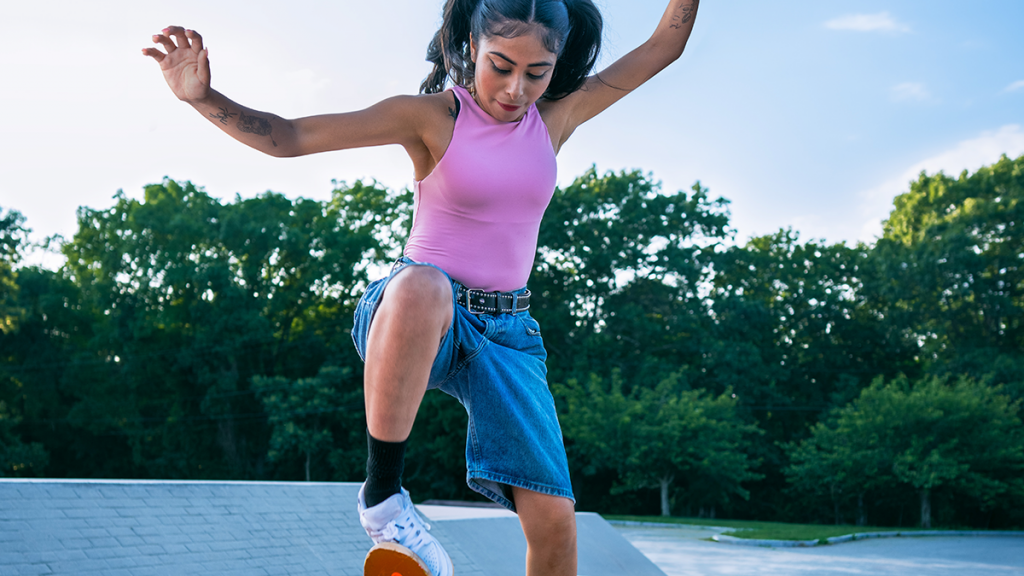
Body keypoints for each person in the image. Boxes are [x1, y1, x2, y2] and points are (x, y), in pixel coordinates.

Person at [143, 1, 699, 574]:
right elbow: (290, 137)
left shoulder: (558, 116)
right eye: (501, 65)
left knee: (555, 525)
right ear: (470, 46)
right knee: (422, 285)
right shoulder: (432, 117)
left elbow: (663, 46)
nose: (516, 89)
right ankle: (384, 498)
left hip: (510, 336)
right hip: (417, 317)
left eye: (537, 72)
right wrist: (203, 98)